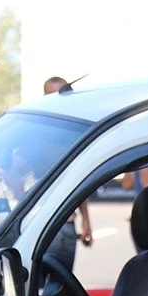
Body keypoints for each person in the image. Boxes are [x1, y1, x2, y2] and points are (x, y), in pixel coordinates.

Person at [42, 76, 92, 272]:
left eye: (65, 94)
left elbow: (77, 181)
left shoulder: (73, 133)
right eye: (54, 95)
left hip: (66, 223)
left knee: (58, 291)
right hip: (42, 224)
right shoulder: (39, 132)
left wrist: (86, 219)